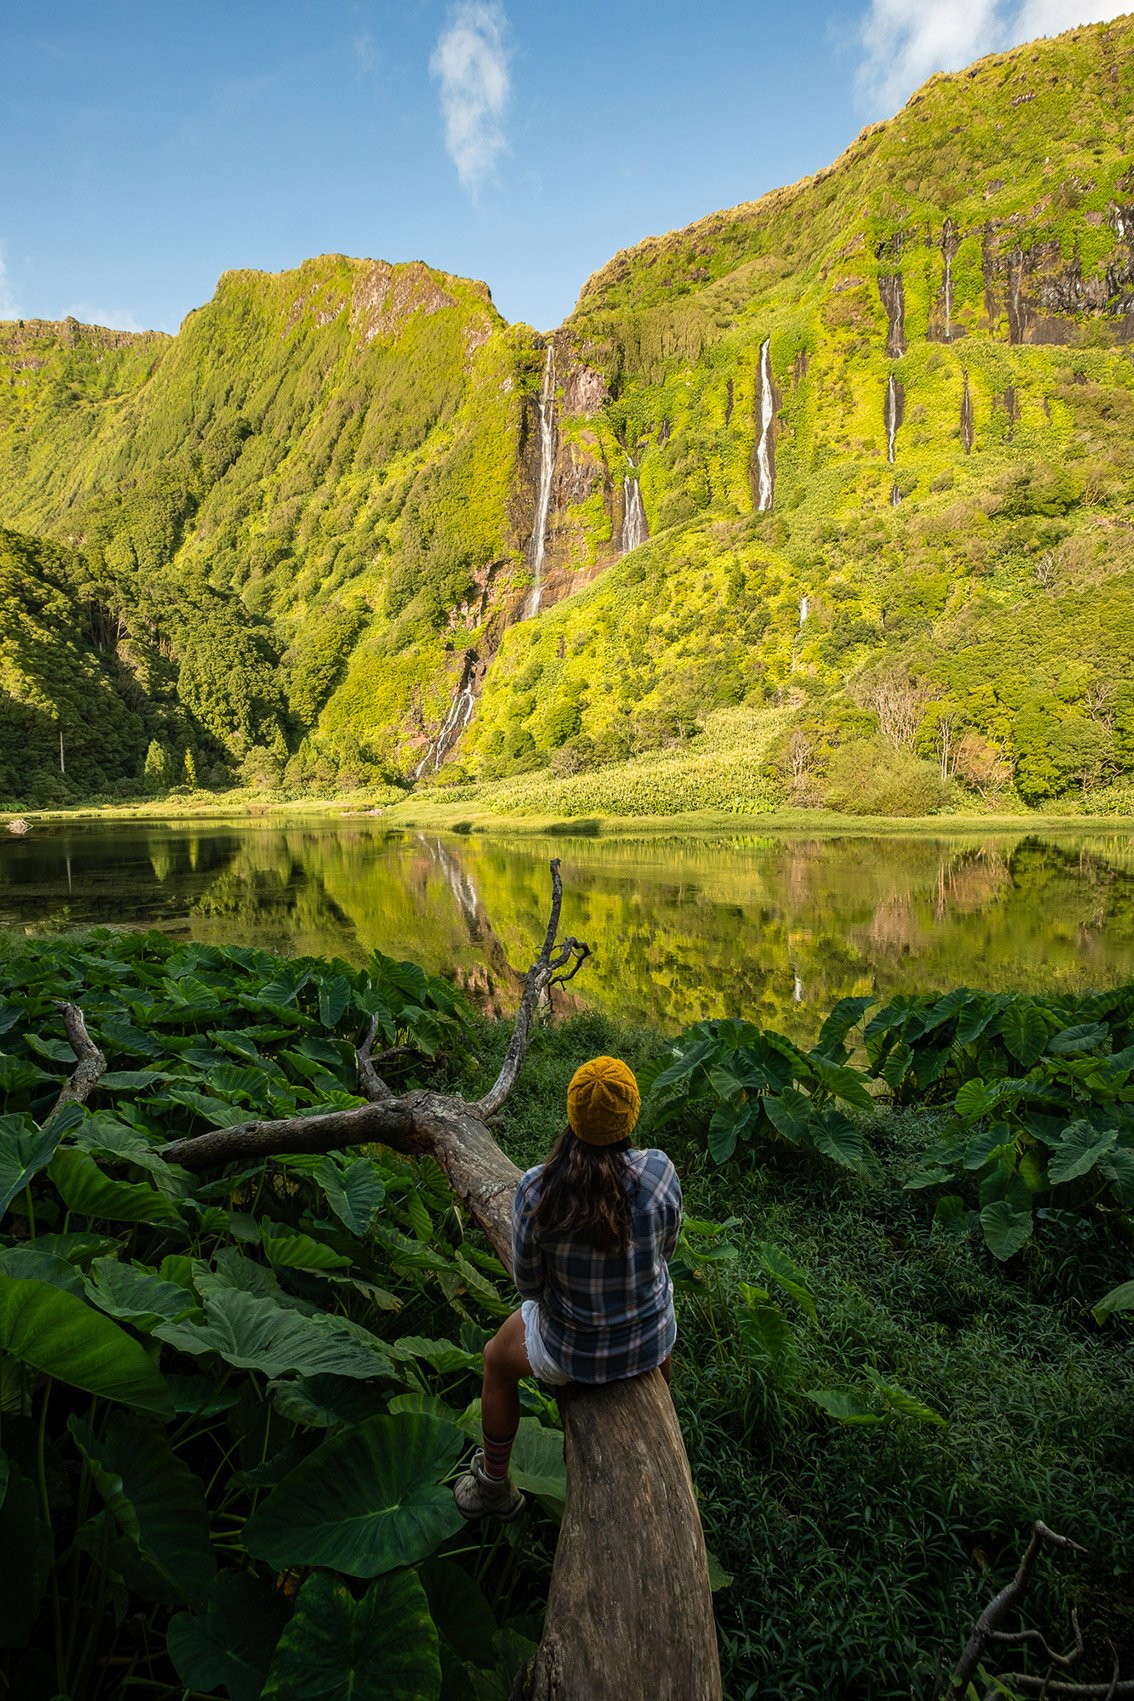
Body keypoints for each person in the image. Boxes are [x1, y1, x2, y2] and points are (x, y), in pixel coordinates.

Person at [453, 1054, 683, 1521]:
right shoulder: (660, 1173)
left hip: (570, 1353)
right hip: (649, 1338)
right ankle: (663, 1402)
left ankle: (494, 1485)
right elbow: (667, 1252)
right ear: (631, 1114)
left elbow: (529, 1285)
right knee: (658, 1306)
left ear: (572, 1113)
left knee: (496, 1362)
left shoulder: (538, 1190)